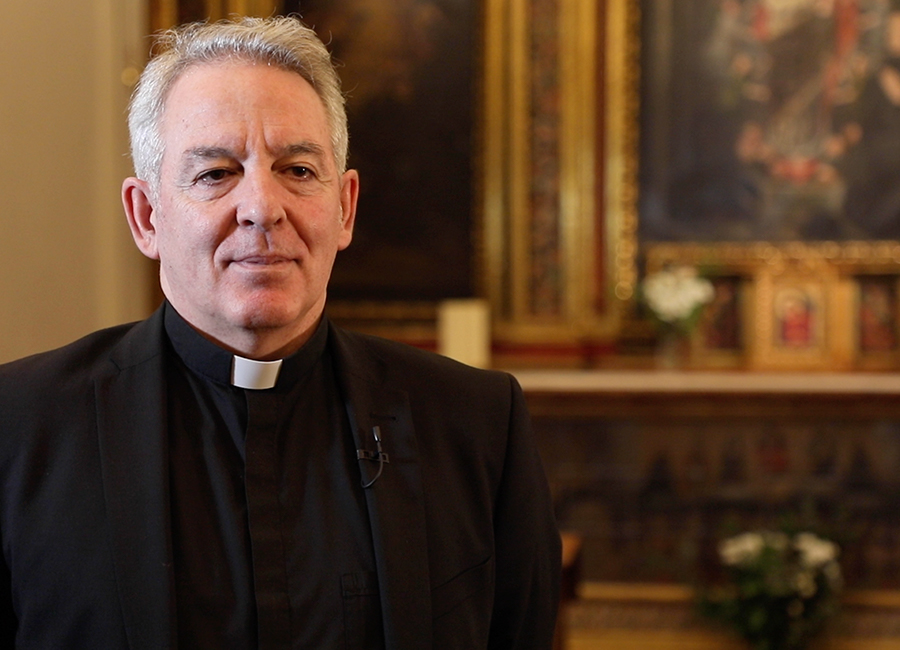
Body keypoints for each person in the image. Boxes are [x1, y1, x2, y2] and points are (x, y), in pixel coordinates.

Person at [0, 16, 561, 649]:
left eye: (297, 169)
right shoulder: (19, 428)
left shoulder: (477, 425)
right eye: (215, 173)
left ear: (344, 207)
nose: (262, 208)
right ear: (146, 215)